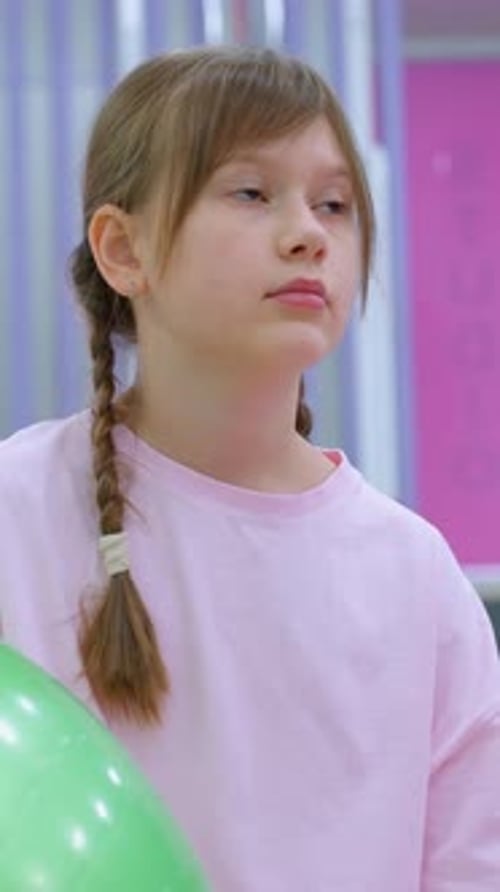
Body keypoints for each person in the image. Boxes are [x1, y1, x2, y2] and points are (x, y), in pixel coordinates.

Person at [0, 45, 499, 890]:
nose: (308, 232)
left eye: (334, 204)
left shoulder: (414, 574)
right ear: (123, 250)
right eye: (251, 192)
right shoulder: (20, 510)